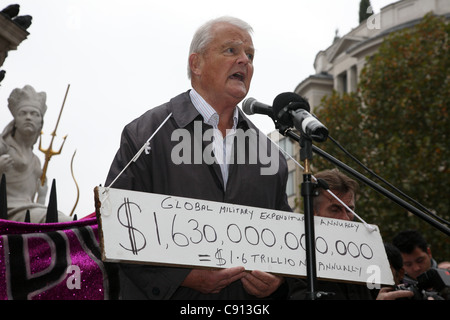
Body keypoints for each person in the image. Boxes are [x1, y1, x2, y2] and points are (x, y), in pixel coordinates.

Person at [105, 16, 291, 299]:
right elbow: (115, 225)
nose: (244, 61)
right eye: (231, 50)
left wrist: (279, 279)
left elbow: (285, 243)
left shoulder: (271, 156)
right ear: (196, 64)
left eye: (250, 55)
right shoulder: (145, 134)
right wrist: (181, 277)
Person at [290, 169, 413, 300]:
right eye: (335, 209)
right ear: (313, 212)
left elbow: (378, 292)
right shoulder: (296, 260)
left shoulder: (367, 253)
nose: (345, 218)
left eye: (350, 210)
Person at [0, 85, 70, 223]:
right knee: (63, 221)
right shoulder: (3, 148)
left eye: (34, 114)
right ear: (15, 121)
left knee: (58, 218)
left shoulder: (36, 161)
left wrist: (42, 196)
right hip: (9, 211)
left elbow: (32, 201)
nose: (28, 117)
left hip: (30, 210)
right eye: (23, 113)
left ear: (40, 123)